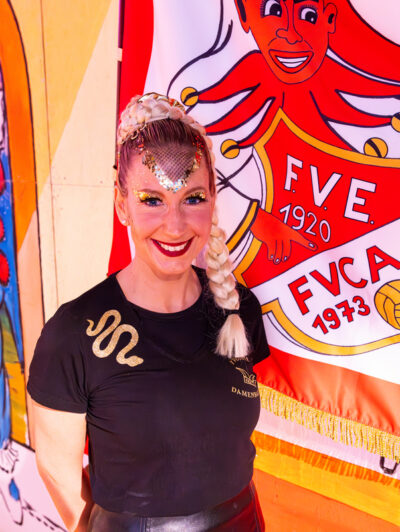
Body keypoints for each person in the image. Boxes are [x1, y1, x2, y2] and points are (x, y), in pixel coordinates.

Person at [27, 93, 269, 531]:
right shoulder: (72, 334)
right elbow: (59, 475)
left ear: (214, 200)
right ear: (122, 205)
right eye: (151, 200)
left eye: (193, 198)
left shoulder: (238, 308)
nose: (174, 226)